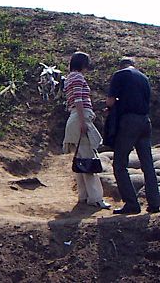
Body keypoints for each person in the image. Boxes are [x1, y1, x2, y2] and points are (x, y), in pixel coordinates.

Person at [106, 57, 160, 214]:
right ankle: (154, 203)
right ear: (133, 65)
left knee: (119, 164)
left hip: (129, 122)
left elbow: (109, 102)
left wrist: (113, 106)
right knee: (148, 164)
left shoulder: (119, 75)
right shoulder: (144, 78)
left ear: (120, 65)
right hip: (145, 121)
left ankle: (131, 203)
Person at [62, 52, 111, 209]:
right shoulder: (78, 78)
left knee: (81, 159)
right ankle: (96, 198)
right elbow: (78, 100)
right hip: (79, 118)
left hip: (75, 117)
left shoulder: (69, 77)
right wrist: (83, 122)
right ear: (83, 64)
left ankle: (83, 196)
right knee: (89, 159)